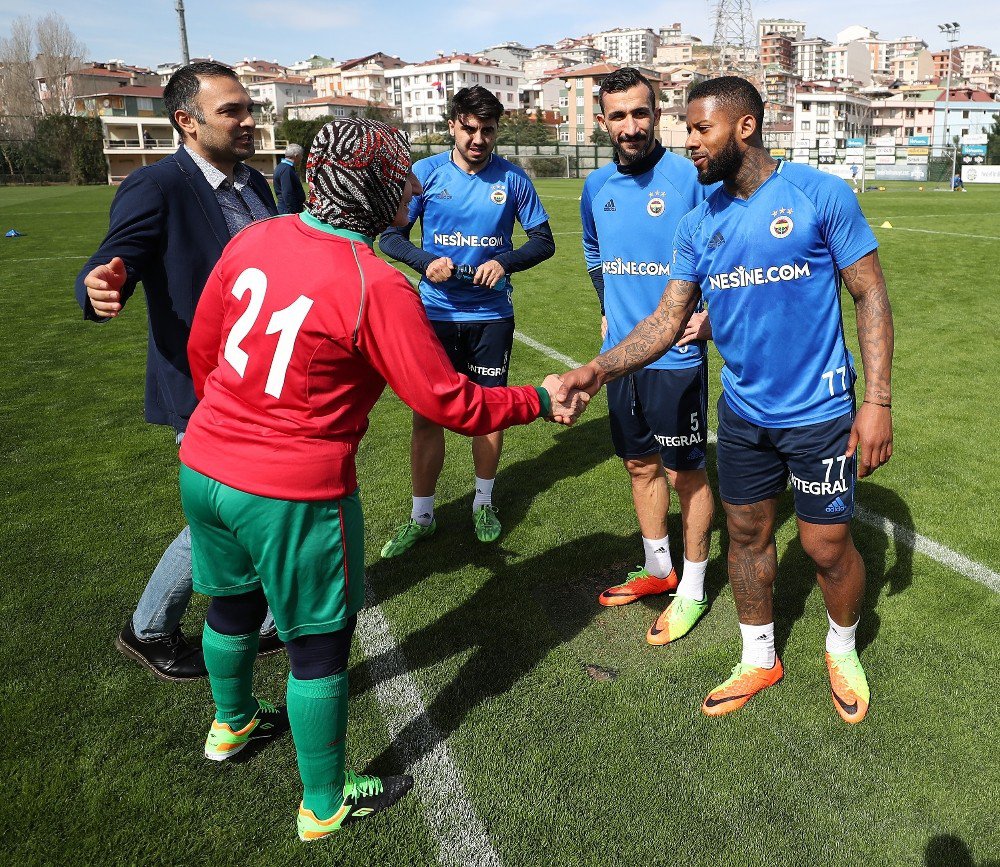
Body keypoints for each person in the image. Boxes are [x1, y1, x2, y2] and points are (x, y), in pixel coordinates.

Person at [178, 118, 587, 841]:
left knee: (232, 602)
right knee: (318, 644)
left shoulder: (255, 237)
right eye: (402, 172)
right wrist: (538, 398)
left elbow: (203, 349)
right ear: (373, 185)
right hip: (293, 489)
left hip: (207, 467)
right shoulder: (372, 281)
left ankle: (230, 724)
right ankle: (324, 800)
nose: (415, 184)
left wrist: (235, 427)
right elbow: (446, 401)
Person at [558, 76, 894, 724]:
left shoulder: (819, 195)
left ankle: (842, 645)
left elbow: (870, 293)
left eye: (700, 128)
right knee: (745, 534)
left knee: (826, 546)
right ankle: (758, 655)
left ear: (744, 128)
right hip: (742, 415)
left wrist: (876, 400)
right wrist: (597, 369)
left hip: (821, 415)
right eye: (685, 128)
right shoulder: (697, 224)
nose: (689, 142)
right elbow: (665, 320)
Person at [75, 61, 281, 682]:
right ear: (187, 122)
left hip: (257, 382)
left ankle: (269, 614)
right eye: (233, 112)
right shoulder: (158, 186)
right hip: (204, 391)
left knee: (261, 503)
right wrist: (98, 286)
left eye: (249, 109)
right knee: (217, 516)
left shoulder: (254, 185)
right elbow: (116, 258)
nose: (249, 121)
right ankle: (148, 629)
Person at [378, 85, 556, 554]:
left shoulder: (513, 179)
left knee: (489, 413)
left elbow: (543, 239)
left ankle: (482, 503)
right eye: (470, 129)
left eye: (488, 130)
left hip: (492, 316)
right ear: (453, 125)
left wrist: (506, 262)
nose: (479, 139)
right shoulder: (425, 173)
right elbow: (390, 237)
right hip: (435, 313)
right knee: (426, 415)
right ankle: (422, 515)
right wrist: (423, 261)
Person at [580, 67, 715, 646]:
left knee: (687, 472)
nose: (631, 126)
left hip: (676, 359)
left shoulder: (689, 178)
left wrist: (709, 313)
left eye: (641, 113)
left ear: (656, 114)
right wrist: (608, 303)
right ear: (602, 121)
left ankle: (693, 585)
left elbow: (726, 243)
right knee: (639, 466)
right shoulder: (596, 188)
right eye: (619, 116)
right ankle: (659, 569)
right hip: (621, 359)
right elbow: (592, 250)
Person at [273, 143, 306, 213]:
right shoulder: (286, 169)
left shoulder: (282, 167)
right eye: (301, 155)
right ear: (296, 155)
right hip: (288, 211)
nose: (302, 158)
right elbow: (287, 192)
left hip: (286, 209)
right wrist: (293, 211)